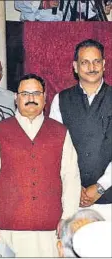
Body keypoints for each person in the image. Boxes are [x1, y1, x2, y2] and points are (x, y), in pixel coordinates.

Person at [0, 74, 81, 257]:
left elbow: (71, 177)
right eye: (25, 93)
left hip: (51, 228)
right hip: (9, 227)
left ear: (44, 98)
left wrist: (68, 219)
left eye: (36, 93)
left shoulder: (60, 132)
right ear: (16, 98)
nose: (31, 99)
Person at [50, 39, 112, 221]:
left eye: (96, 61)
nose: (91, 67)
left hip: (109, 199)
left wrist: (100, 186)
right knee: (72, 248)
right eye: (85, 62)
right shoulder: (61, 100)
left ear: (104, 64)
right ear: (75, 67)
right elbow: (55, 150)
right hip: (72, 197)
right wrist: (74, 186)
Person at [15, 0, 97, 21]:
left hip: (61, 30)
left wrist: (97, 8)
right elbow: (18, 3)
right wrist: (43, 4)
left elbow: (79, 7)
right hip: (36, 29)